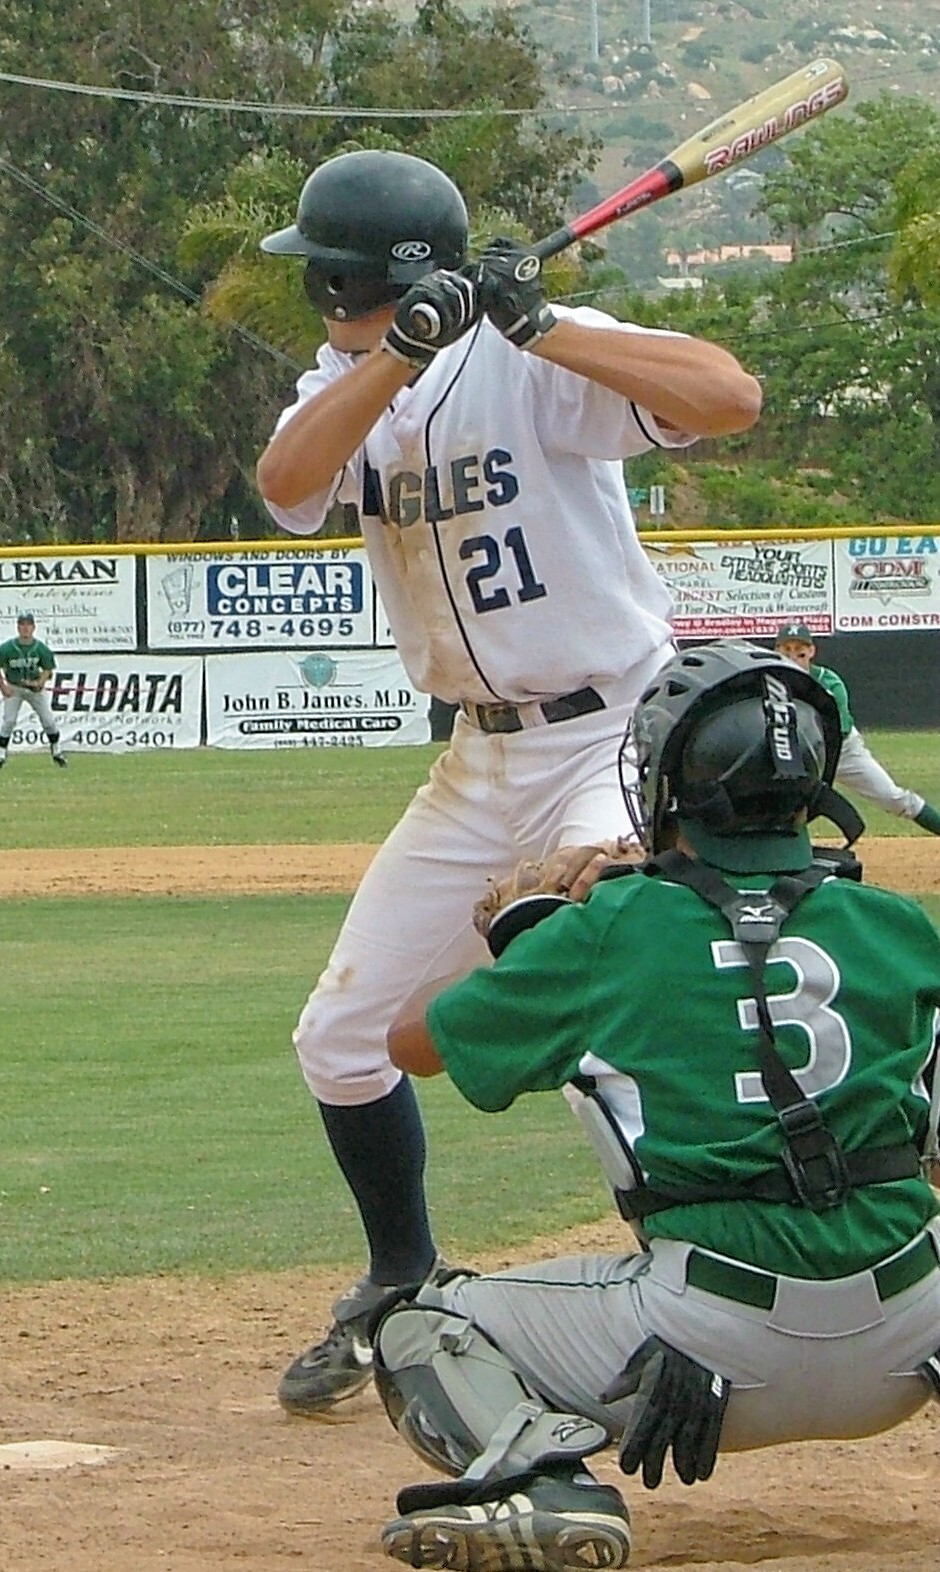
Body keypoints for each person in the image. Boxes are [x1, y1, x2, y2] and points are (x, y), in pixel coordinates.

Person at [256, 147, 763, 1416]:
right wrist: (404, 351)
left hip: (612, 735)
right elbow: (286, 483)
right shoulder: (341, 381)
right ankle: (398, 1275)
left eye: (318, 265)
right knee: (341, 1039)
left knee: (588, 981)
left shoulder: (534, 350)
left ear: (342, 272)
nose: (307, 285)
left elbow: (728, 397)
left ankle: (702, 1287)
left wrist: (534, 324)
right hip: (479, 758)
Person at [372, 638, 940, 1572]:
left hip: (701, 1346)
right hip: (912, 1344)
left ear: (675, 782)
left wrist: (525, 936)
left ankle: (541, 1486)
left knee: (424, 1325)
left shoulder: (610, 929)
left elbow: (408, 1046)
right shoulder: (900, 926)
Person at [774, 621, 940, 835]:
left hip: (841, 752)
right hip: (794, 752)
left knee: (893, 798)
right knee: (783, 808)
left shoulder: (829, 683)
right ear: (776, 651)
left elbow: (836, 732)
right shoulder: (769, 680)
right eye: (786, 650)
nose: (793, 656)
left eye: (800, 651)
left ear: (812, 651)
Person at [0, 612, 67, 769]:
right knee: (8, 721)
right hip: (15, 687)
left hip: (34, 689)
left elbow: (48, 668)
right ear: (18, 627)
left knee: (48, 721)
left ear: (33, 627)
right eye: (22, 624)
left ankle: (56, 751)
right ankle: (1, 754)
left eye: (28, 624)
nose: (25, 628)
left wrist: (40, 682)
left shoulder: (40, 648)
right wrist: (3, 686)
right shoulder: (7, 648)